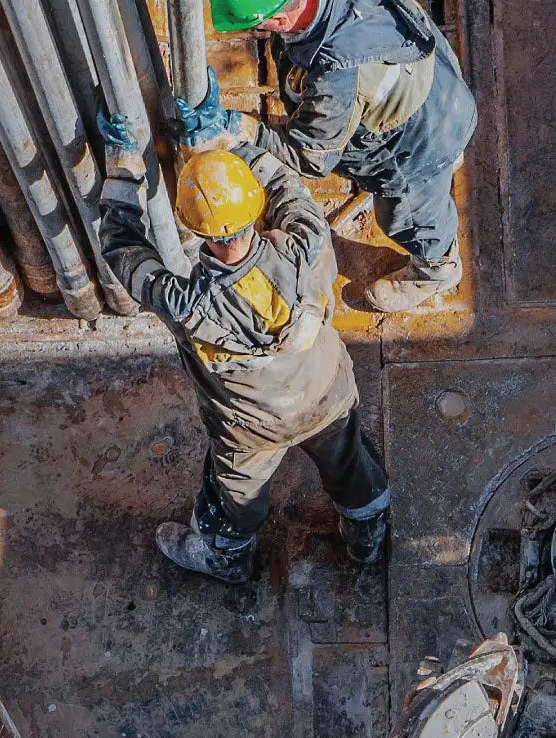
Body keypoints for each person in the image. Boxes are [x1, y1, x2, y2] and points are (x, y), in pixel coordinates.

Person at [97, 112, 390, 584]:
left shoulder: (185, 304)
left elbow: (121, 248)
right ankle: (367, 536)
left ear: (197, 233)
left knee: (233, 497)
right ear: (252, 209)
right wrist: (232, 146)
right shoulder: (306, 244)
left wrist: (123, 169)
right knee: (351, 462)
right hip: (326, 394)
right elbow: (285, 186)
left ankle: (226, 560)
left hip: (252, 429)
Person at [131, 0, 478, 312]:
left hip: (419, 139)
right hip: (428, 71)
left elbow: (311, 156)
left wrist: (235, 128)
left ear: (276, 22)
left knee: (404, 216)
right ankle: (443, 171)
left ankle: (436, 268)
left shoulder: (339, 74)